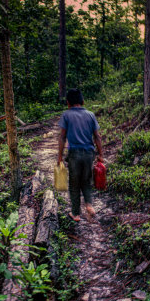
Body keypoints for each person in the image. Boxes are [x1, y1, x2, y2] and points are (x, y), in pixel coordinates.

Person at [57, 88, 103, 222]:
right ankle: (89, 205)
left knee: (74, 183)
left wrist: (59, 157)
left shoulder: (66, 115)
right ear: (82, 101)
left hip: (74, 154)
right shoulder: (90, 115)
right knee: (87, 181)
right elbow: (97, 137)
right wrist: (101, 155)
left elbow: (62, 137)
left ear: (68, 102)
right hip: (89, 154)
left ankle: (76, 214)